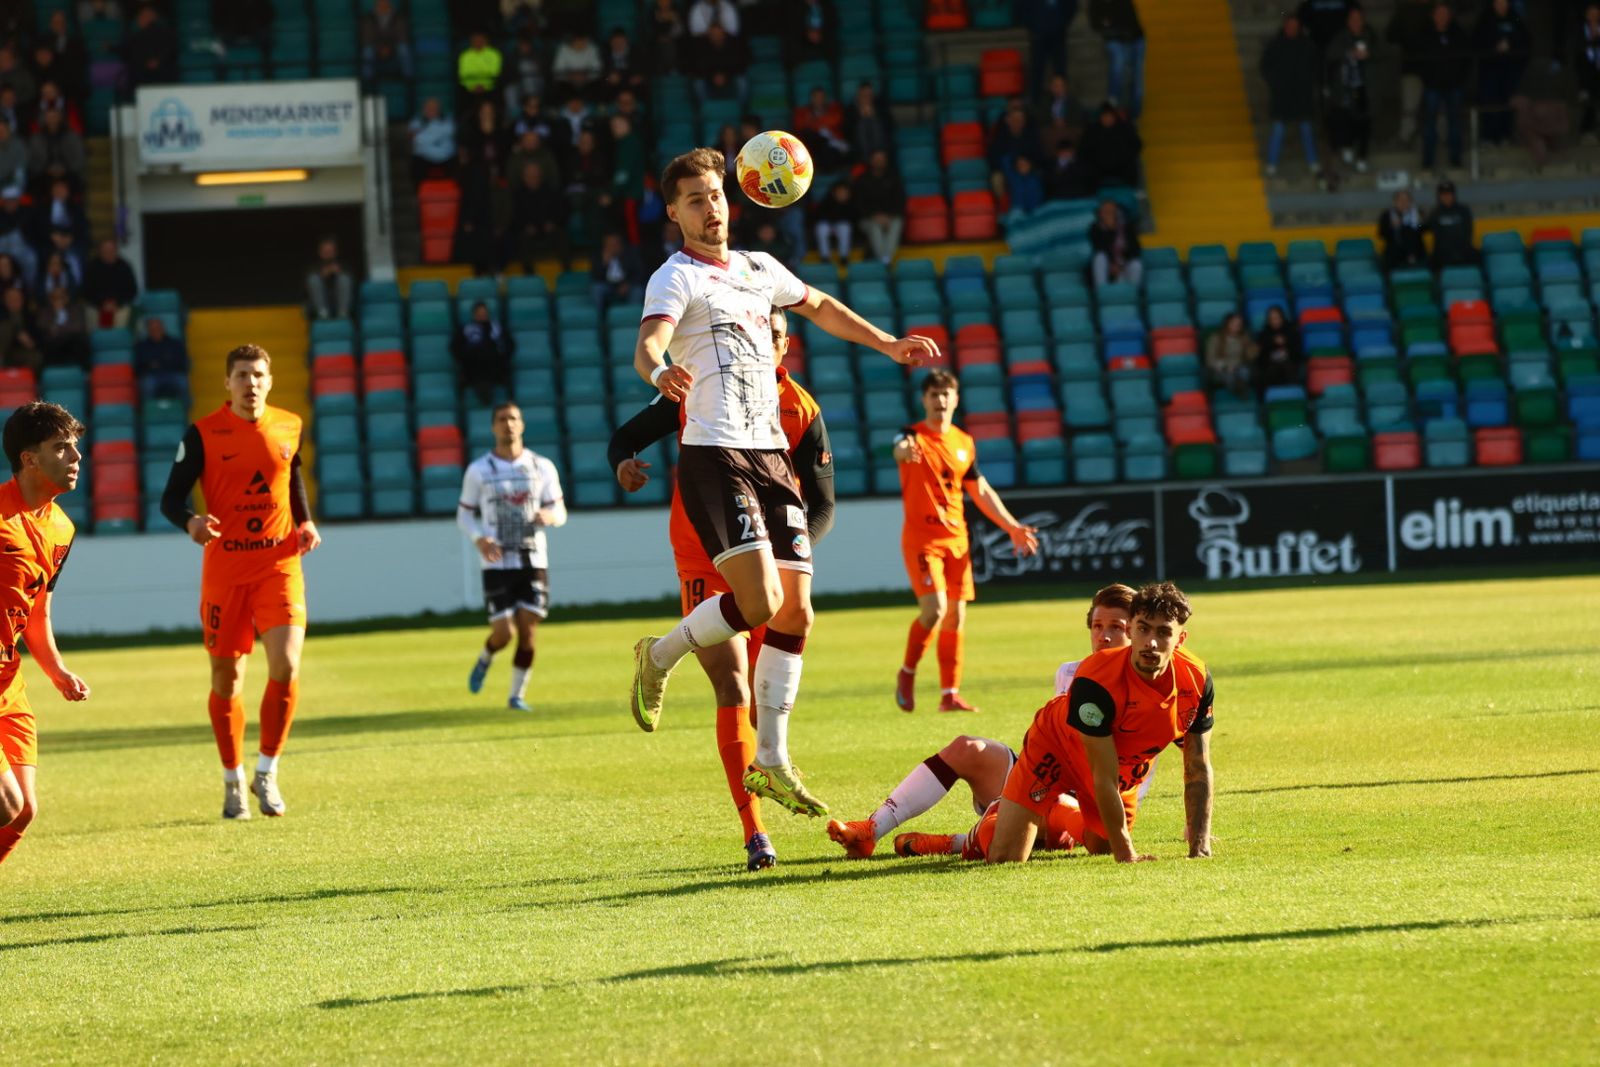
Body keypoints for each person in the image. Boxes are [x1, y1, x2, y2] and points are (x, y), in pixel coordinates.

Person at [628, 147, 939, 817]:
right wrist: (659, 372)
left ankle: (769, 759)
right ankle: (659, 655)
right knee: (761, 601)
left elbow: (819, 304)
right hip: (715, 453)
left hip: (771, 457)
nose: (711, 208)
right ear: (675, 213)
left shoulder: (759, 268)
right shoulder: (675, 276)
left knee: (796, 611)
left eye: (716, 195)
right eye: (695, 200)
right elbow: (648, 343)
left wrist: (888, 343)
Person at [610, 306, 835, 870]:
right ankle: (755, 833)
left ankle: (768, 757)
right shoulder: (704, 387)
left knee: (763, 696)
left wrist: (790, 555)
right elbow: (628, 436)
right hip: (701, 552)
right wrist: (623, 464)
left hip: (764, 562)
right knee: (731, 685)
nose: (767, 343)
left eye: (776, 336)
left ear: (786, 345)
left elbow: (823, 504)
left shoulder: (801, 409)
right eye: (761, 333)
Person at [830, 583, 1134, 859]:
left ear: (1136, 632)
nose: (1103, 636)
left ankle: (954, 843)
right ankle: (871, 829)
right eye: (1097, 626)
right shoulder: (1069, 672)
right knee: (967, 748)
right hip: (1043, 778)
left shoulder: (1144, 690)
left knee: (1007, 829)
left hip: (1085, 805)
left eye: (1116, 627)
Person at [159, 344, 321, 820]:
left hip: (278, 566)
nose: (251, 383)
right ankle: (232, 778)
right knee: (226, 680)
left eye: (258, 375)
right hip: (226, 572)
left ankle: (266, 772)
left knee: (286, 666)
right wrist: (190, 522)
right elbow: (170, 499)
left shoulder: (289, 425)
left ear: (270, 381)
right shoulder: (203, 433)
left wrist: (305, 521)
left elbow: (291, 477)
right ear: (227, 383)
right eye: (242, 375)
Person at [984, 581, 1215, 864]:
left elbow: (1197, 767)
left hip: (1121, 769)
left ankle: (1059, 811)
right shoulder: (1096, 680)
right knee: (1005, 858)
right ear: (1130, 630)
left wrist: (1199, 846)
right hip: (1055, 747)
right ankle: (959, 837)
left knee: (1101, 847)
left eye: (1164, 632)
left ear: (1180, 639)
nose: (1151, 642)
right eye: (1143, 629)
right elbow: (1103, 777)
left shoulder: (1196, 679)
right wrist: (1127, 855)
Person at [893, 370, 1039, 714]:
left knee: (955, 617)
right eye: (933, 394)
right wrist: (902, 450)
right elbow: (898, 449)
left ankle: (950, 695)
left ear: (956, 399)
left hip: (957, 540)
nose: (940, 400)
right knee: (935, 610)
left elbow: (980, 490)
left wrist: (1012, 526)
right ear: (924, 400)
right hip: (923, 540)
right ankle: (907, 671)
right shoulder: (912, 435)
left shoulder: (964, 442)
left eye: (946, 394)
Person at [0, 401, 89, 869]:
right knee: (7, 803)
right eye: (61, 448)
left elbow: (37, 611)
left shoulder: (61, 528)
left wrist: (57, 672)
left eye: (76, 447)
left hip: (8, 682)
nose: (76, 457)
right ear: (29, 458)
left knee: (23, 812)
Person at [458, 403, 566, 713]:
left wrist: (550, 516)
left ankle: (516, 696)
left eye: (514, 418)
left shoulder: (541, 467)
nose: (509, 424)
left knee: (528, 630)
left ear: (522, 425)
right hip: (496, 561)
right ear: (493, 426)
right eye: (502, 419)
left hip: (532, 559)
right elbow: (464, 515)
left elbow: (560, 510)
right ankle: (486, 656)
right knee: (504, 633)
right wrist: (480, 539)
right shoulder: (479, 470)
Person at [1260, 14, 1322, 179]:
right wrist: (1275, 83)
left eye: (1295, 26)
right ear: (1285, 26)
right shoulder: (1275, 45)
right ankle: (1272, 163)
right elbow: (1265, 67)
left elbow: (1316, 67)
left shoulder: (1308, 45)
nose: (1292, 29)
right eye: (1289, 26)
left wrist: (1309, 82)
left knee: (1306, 129)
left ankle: (1313, 161)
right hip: (1282, 96)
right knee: (1278, 130)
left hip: (1303, 95)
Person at [1416, 2, 1467, 172]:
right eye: (1439, 14)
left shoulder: (1457, 33)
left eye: (1445, 14)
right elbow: (1420, 60)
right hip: (1433, 86)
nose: (1442, 17)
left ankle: (1456, 159)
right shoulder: (1425, 35)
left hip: (1454, 85)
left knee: (1455, 122)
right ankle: (1427, 161)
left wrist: (1460, 77)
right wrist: (1427, 79)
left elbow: (1465, 58)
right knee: (1430, 122)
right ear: (1433, 16)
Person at [1325, 7, 1375, 171]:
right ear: (1348, 21)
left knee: (1364, 122)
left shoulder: (1370, 35)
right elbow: (1330, 54)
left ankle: (1362, 156)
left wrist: (1369, 54)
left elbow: (1382, 52)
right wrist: (1349, 53)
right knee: (1345, 119)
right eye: (1352, 19)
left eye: (1358, 18)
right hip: (1345, 88)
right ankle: (1347, 146)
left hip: (1364, 88)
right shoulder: (1340, 37)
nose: (1355, 22)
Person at [1473, 0, 1528, 146]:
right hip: (1489, 70)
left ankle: (1505, 135)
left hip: (1509, 70)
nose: (1501, 5)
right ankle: (1488, 136)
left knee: (1508, 102)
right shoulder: (1485, 19)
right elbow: (1477, 41)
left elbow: (1525, 40)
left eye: (1504, 2)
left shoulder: (1515, 18)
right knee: (1488, 102)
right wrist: (1493, 47)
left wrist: (1511, 45)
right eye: (1498, 2)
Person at [1088, 0, 1145, 119]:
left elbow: (1129, 21)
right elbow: (1097, 24)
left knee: (1136, 80)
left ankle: (1132, 114)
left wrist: (1110, 24)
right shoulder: (1096, 4)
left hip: (1134, 38)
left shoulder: (1123, 2)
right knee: (1121, 67)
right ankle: (1115, 102)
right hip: (1118, 39)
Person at [451, 300, 512, 405]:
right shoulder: (466, 329)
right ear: (474, 315)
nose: (482, 316)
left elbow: (509, 345)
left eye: (484, 313)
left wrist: (500, 356)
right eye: (479, 313)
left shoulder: (497, 328)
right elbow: (455, 347)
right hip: (474, 368)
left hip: (495, 366)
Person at [852, 149, 905, 265]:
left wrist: (888, 216)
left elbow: (900, 202)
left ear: (886, 161)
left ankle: (885, 259)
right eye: (877, 159)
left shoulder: (894, 178)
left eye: (882, 159)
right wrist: (874, 216)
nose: (879, 161)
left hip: (891, 217)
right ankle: (885, 260)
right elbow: (858, 205)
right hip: (868, 219)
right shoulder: (862, 180)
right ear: (871, 161)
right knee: (875, 228)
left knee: (897, 223)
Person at [1077, 102, 1141, 187]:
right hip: (1098, 167)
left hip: (1122, 166)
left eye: (1110, 116)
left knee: (1135, 164)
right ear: (1100, 117)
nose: (1107, 119)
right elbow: (1083, 150)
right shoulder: (1092, 130)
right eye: (1105, 116)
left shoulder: (1125, 128)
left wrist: (1123, 157)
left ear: (1114, 117)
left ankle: (1135, 190)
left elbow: (1137, 145)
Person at [1019, 0, 1076, 95]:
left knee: (1060, 69)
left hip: (1058, 34)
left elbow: (1071, 6)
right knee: (1037, 70)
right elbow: (1023, 8)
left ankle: (1061, 99)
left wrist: (1062, 23)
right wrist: (1033, 26)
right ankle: (1035, 98)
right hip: (1038, 35)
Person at [1088, 198, 1143, 287]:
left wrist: (1122, 265)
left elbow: (1136, 249)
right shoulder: (1095, 228)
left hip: (1124, 265)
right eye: (1105, 212)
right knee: (1099, 257)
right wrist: (1109, 230)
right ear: (1100, 213)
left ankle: (1133, 292)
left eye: (1111, 211)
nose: (1108, 214)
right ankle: (1101, 290)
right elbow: (1099, 247)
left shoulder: (1127, 227)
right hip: (1106, 265)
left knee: (1136, 265)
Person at [133, 314, 188, 401]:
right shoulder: (142, 346)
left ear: (163, 329)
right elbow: (139, 366)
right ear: (149, 331)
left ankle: (186, 409)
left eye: (158, 328)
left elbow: (182, 362)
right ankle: (149, 409)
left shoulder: (175, 343)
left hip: (172, 373)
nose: (156, 331)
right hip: (152, 376)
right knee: (147, 386)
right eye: (153, 329)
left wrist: (156, 364)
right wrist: (160, 363)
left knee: (182, 383)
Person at [1206, 312, 1258, 399]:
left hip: (1239, 366)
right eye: (1234, 323)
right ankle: (1239, 389)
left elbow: (1249, 358)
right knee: (1228, 376)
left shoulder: (1244, 338)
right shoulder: (1215, 338)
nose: (1237, 325)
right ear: (1227, 324)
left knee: (1244, 371)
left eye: (1239, 324)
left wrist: (1253, 350)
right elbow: (1210, 359)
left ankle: (1240, 386)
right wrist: (1225, 366)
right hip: (1221, 368)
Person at [1424, 179, 1476, 267]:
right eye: (1443, 194)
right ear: (1439, 196)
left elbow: (1468, 232)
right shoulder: (1435, 213)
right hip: (1442, 253)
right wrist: (1418, 222)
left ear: (1453, 194)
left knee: (1478, 256)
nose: (1446, 197)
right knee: (1430, 261)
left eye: (1449, 194)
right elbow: (1425, 227)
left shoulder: (1464, 210)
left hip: (1462, 251)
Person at [360, 0, 413, 83]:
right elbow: (368, 37)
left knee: (404, 49)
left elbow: (402, 36)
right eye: (380, 5)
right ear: (376, 6)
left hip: (393, 46)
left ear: (390, 5)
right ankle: (367, 80)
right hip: (376, 47)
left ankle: (409, 79)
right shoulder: (369, 18)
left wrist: (390, 48)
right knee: (367, 52)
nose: (383, 6)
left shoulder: (398, 17)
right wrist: (379, 48)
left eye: (385, 4)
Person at [407, 96, 456, 187]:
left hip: (446, 157)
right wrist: (437, 134)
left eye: (434, 108)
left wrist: (422, 136)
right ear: (424, 109)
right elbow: (413, 137)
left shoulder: (448, 120)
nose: (431, 110)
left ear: (439, 109)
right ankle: (419, 191)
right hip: (424, 157)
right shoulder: (417, 121)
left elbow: (450, 131)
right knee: (416, 167)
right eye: (428, 108)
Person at [1255, 305, 1304, 393]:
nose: (1274, 321)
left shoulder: (1291, 331)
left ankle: (1294, 395)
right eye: (1271, 319)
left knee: (1290, 369)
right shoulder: (1264, 334)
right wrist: (1272, 342)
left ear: (1282, 318)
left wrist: (1286, 342)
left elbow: (1297, 352)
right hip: (1270, 366)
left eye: (1276, 318)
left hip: (1289, 363)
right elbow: (1261, 356)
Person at [304, 237, 352, 320]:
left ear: (335, 252)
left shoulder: (343, 265)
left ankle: (343, 313)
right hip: (318, 305)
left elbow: (353, 285)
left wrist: (339, 273)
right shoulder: (312, 267)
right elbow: (304, 290)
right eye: (325, 252)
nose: (328, 254)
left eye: (330, 251)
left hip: (340, 303)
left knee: (344, 278)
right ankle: (322, 313)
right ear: (320, 252)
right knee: (313, 279)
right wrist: (321, 275)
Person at [1378, 189, 1426, 271]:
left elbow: (1423, 228)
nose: (1404, 203)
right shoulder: (1387, 215)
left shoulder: (1417, 213)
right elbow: (1381, 233)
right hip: (1394, 252)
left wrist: (1419, 223)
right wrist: (1391, 227)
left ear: (1410, 202)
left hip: (1415, 251)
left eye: (1406, 200)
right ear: (1395, 202)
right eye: (1400, 200)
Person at [811, 179, 856, 263]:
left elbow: (852, 219)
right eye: (839, 192)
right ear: (833, 193)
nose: (842, 194)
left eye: (844, 192)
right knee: (821, 228)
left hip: (841, 226)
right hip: (828, 225)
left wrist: (842, 205)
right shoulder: (826, 201)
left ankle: (844, 257)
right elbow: (819, 217)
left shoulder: (852, 203)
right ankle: (825, 257)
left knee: (845, 228)